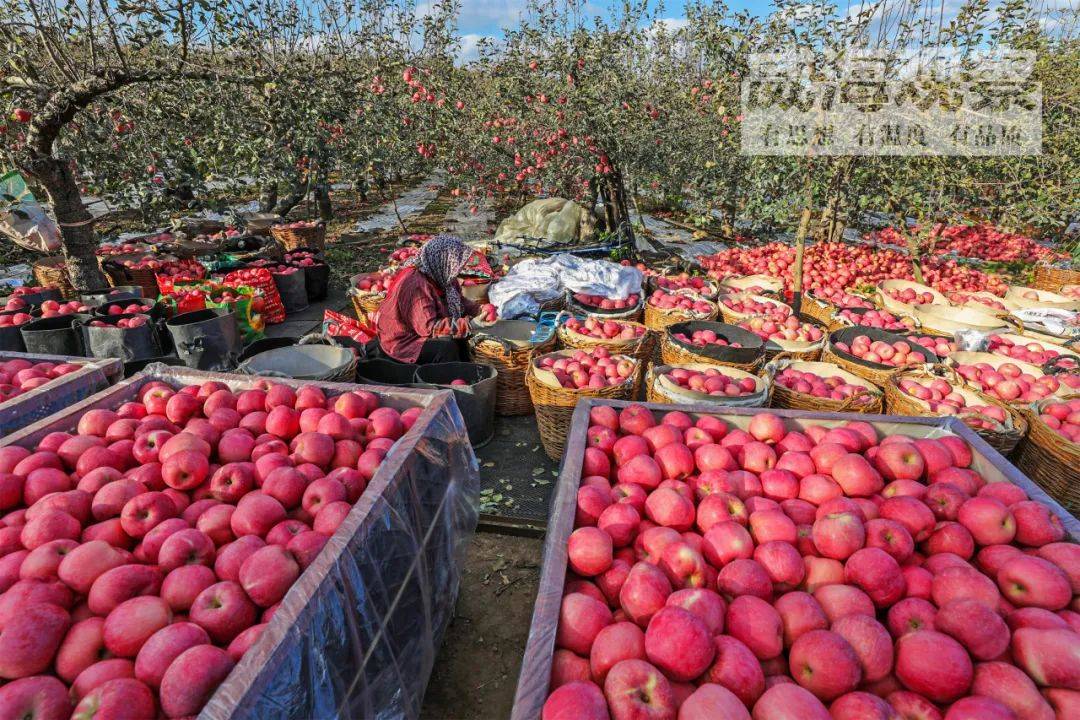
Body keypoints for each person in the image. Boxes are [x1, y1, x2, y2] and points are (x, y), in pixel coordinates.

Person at [374, 235, 480, 363]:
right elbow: (428, 328)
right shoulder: (416, 285)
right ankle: (448, 380)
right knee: (447, 348)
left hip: (421, 329)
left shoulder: (443, 275)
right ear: (443, 261)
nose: (460, 269)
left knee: (464, 338)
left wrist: (478, 310)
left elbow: (459, 301)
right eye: (457, 264)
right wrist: (470, 324)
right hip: (405, 339)